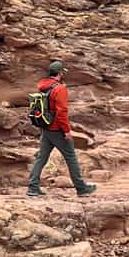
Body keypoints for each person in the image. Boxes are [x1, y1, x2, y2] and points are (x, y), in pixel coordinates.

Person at [27, 59, 97, 198]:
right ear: (59, 73)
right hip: (57, 129)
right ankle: (81, 188)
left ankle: (33, 187)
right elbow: (62, 111)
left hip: (45, 127)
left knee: (41, 157)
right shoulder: (59, 88)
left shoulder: (43, 85)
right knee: (71, 157)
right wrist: (66, 131)